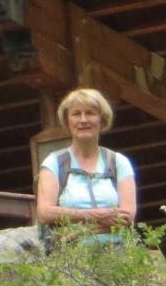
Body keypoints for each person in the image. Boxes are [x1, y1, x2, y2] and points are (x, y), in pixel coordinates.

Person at [36, 87, 136, 242]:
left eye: (90, 113)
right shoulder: (54, 163)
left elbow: (127, 216)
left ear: (102, 120)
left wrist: (79, 230)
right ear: (67, 121)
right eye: (76, 114)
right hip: (72, 261)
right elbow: (44, 212)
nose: (83, 120)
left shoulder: (118, 162)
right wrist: (98, 216)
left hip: (118, 257)